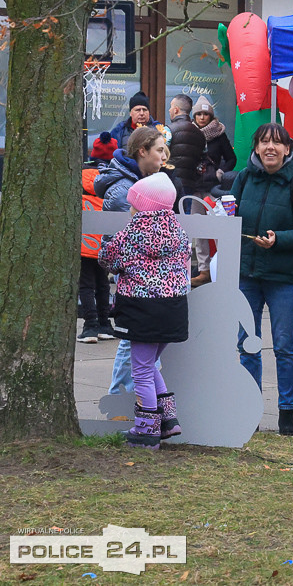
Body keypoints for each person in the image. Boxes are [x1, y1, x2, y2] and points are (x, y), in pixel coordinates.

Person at [233, 123, 293, 436]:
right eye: (264, 142)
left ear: (287, 150)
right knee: (246, 345)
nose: (270, 147)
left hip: (282, 279)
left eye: (277, 143)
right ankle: (249, 407)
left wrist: (278, 239)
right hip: (247, 275)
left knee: (284, 345)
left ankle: (287, 412)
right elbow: (229, 215)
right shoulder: (243, 179)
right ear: (255, 148)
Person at [98, 172, 189, 449]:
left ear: (143, 206)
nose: (130, 209)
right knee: (149, 365)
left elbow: (107, 259)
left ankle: (147, 430)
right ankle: (169, 420)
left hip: (142, 307)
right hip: (173, 307)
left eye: (133, 204)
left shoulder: (131, 233)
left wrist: (108, 246)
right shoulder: (178, 230)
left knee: (140, 371)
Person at [94, 126, 174, 393]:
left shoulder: (140, 182)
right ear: (142, 151)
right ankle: (121, 399)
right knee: (134, 342)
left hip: (141, 277)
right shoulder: (125, 190)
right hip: (137, 279)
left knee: (140, 345)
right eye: (159, 150)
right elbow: (132, 242)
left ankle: (139, 403)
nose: (164, 157)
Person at [191, 96, 236, 288]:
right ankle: (204, 270)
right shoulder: (188, 133)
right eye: (199, 113)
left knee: (218, 228)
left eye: (205, 114)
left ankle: (222, 268)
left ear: (211, 115)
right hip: (194, 188)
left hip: (213, 189)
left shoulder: (219, 134)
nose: (202, 117)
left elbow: (231, 158)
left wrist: (221, 172)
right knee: (198, 230)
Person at [78, 167, 115, 343]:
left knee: (86, 286)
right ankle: (104, 324)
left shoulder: (78, 200)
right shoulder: (105, 200)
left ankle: (90, 325)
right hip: (101, 249)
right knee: (103, 284)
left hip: (83, 249)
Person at [166, 94, 205, 203]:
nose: (169, 110)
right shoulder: (200, 134)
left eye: (171, 107)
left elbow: (161, 156)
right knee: (185, 215)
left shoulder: (168, 131)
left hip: (169, 183)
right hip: (191, 184)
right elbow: (203, 158)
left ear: (176, 110)